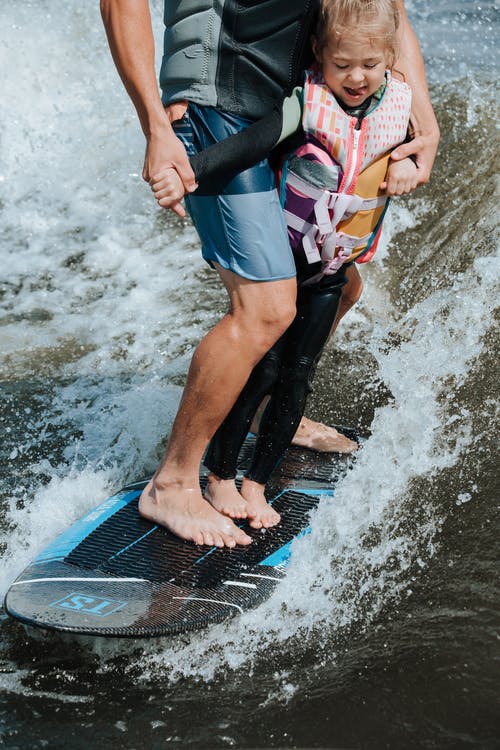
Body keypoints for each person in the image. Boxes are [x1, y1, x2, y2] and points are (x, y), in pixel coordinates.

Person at [100, 0, 439, 547]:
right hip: (216, 106)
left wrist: (422, 123)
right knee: (267, 307)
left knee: (338, 282)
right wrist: (154, 125)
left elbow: (387, 10)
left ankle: (258, 413)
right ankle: (176, 482)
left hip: (292, 103)